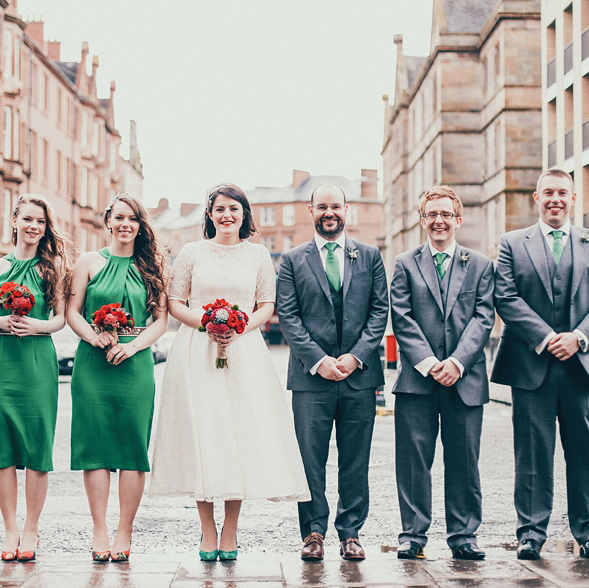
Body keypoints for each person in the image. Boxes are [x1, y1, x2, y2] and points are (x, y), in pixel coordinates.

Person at [149, 183, 309, 562]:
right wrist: (207, 326)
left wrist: (237, 328)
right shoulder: (191, 252)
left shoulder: (258, 255)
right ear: (210, 215)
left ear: (244, 214)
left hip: (244, 351)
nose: (226, 215)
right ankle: (207, 529)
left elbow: (266, 305)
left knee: (236, 434)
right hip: (196, 352)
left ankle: (231, 528)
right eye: (219, 209)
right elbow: (175, 301)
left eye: (234, 209)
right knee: (203, 434)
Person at [492, 168, 589, 561]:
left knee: (586, 454)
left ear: (573, 198)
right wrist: (548, 338)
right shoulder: (513, 243)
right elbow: (506, 296)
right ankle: (531, 534)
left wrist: (578, 337)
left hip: (585, 366)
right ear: (536, 197)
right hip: (532, 365)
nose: (555, 199)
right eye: (548, 192)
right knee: (532, 455)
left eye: (562, 193)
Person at [276, 182, 389, 562]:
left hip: (359, 377)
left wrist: (356, 357)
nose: (329, 212)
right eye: (322, 206)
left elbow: (379, 312)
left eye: (336, 206)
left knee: (355, 458)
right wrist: (319, 360)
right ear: (310, 211)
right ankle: (313, 532)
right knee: (310, 459)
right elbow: (288, 317)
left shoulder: (370, 256)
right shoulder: (292, 260)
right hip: (310, 379)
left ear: (347, 209)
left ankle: (351, 532)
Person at [389, 186, 495, 561]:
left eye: (445, 214)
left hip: (465, 380)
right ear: (422, 220)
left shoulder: (481, 264)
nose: (438, 220)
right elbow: (401, 316)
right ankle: (413, 536)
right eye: (431, 214)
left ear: (458, 219)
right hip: (417, 380)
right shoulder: (405, 262)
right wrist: (430, 363)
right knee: (414, 461)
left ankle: (464, 535)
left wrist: (457, 363)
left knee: (464, 460)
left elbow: (484, 318)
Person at [67, 193, 168, 563]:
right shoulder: (88, 261)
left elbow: (161, 320)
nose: (126, 224)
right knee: (94, 448)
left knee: (132, 448)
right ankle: (99, 528)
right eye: (120, 217)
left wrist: (135, 346)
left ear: (141, 226)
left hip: (136, 364)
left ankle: (125, 528)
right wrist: (93, 336)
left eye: (134, 219)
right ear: (108, 220)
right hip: (93, 364)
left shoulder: (151, 266)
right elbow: (73, 312)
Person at [0, 194, 72, 562]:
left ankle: (31, 527)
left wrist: (37, 326)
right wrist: (2, 322)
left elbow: (60, 319)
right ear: (14, 219)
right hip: (3, 360)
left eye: (41, 222)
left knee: (36, 448)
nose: (34, 227)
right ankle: (10, 528)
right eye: (28, 219)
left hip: (37, 362)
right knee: (3, 451)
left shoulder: (54, 267)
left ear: (46, 228)